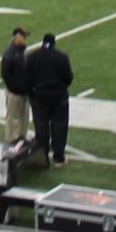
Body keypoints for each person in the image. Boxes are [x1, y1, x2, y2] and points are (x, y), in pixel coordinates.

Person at [24, 33, 73, 167]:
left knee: (41, 127)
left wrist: (32, 94)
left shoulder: (33, 57)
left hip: (39, 97)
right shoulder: (62, 57)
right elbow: (68, 78)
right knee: (59, 126)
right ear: (54, 43)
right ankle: (58, 157)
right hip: (59, 97)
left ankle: (42, 157)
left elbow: (27, 79)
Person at [0, 27, 32, 146]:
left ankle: (21, 138)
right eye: (23, 36)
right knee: (13, 118)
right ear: (16, 37)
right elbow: (6, 74)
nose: (25, 39)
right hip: (15, 92)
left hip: (25, 91)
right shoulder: (9, 53)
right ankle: (11, 140)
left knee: (24, 117)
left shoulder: (23, 52)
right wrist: (16, 88)